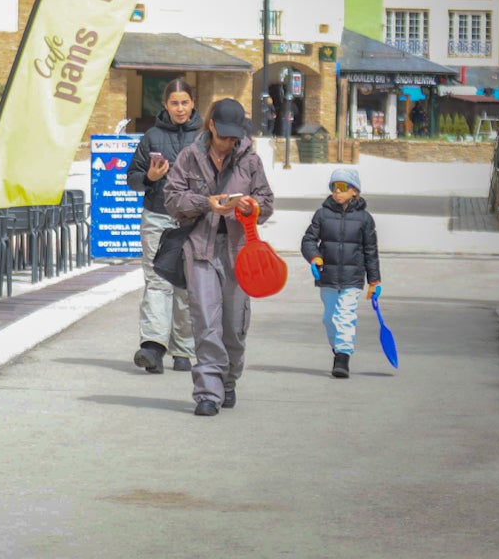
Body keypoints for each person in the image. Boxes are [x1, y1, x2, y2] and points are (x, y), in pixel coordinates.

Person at [164, 98, 274, 416]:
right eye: (224, 135)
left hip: (239, 251)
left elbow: (266, 201)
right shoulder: (189, 157)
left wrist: (250, 206)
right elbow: (172, 199)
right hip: (199, 249)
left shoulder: (250, 161)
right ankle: (208, 392)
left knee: (234, 325)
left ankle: (228, 380)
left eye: (234, 136)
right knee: (205, 320)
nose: (228, 142)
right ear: (211, 126)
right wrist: (205, 203)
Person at [125, 78, 203, 374]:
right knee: (158, 281)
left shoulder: (205, 137)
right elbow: (132, 177)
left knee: (186, 285)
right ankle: (153, 347)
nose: (180, 108)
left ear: (193, 103)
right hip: (157, 215)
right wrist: (150, 178)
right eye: (174, 103)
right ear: (165, 105)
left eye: (184, 102)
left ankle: (183, 349)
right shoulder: (152, 136)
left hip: (192, 219)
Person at [300, 168, 381, 379]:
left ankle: (342, 358)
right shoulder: (322, 214)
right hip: (327, 276)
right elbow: (308, 240)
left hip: (352, 278)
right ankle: (338, 347)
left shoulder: (365, 219)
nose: (337, 192)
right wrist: (314, 257)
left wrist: (374, 280)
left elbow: (370, 251)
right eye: (334, 187)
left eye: (342, 187)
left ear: (354, 191)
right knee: (330, 318)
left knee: (345, 317)